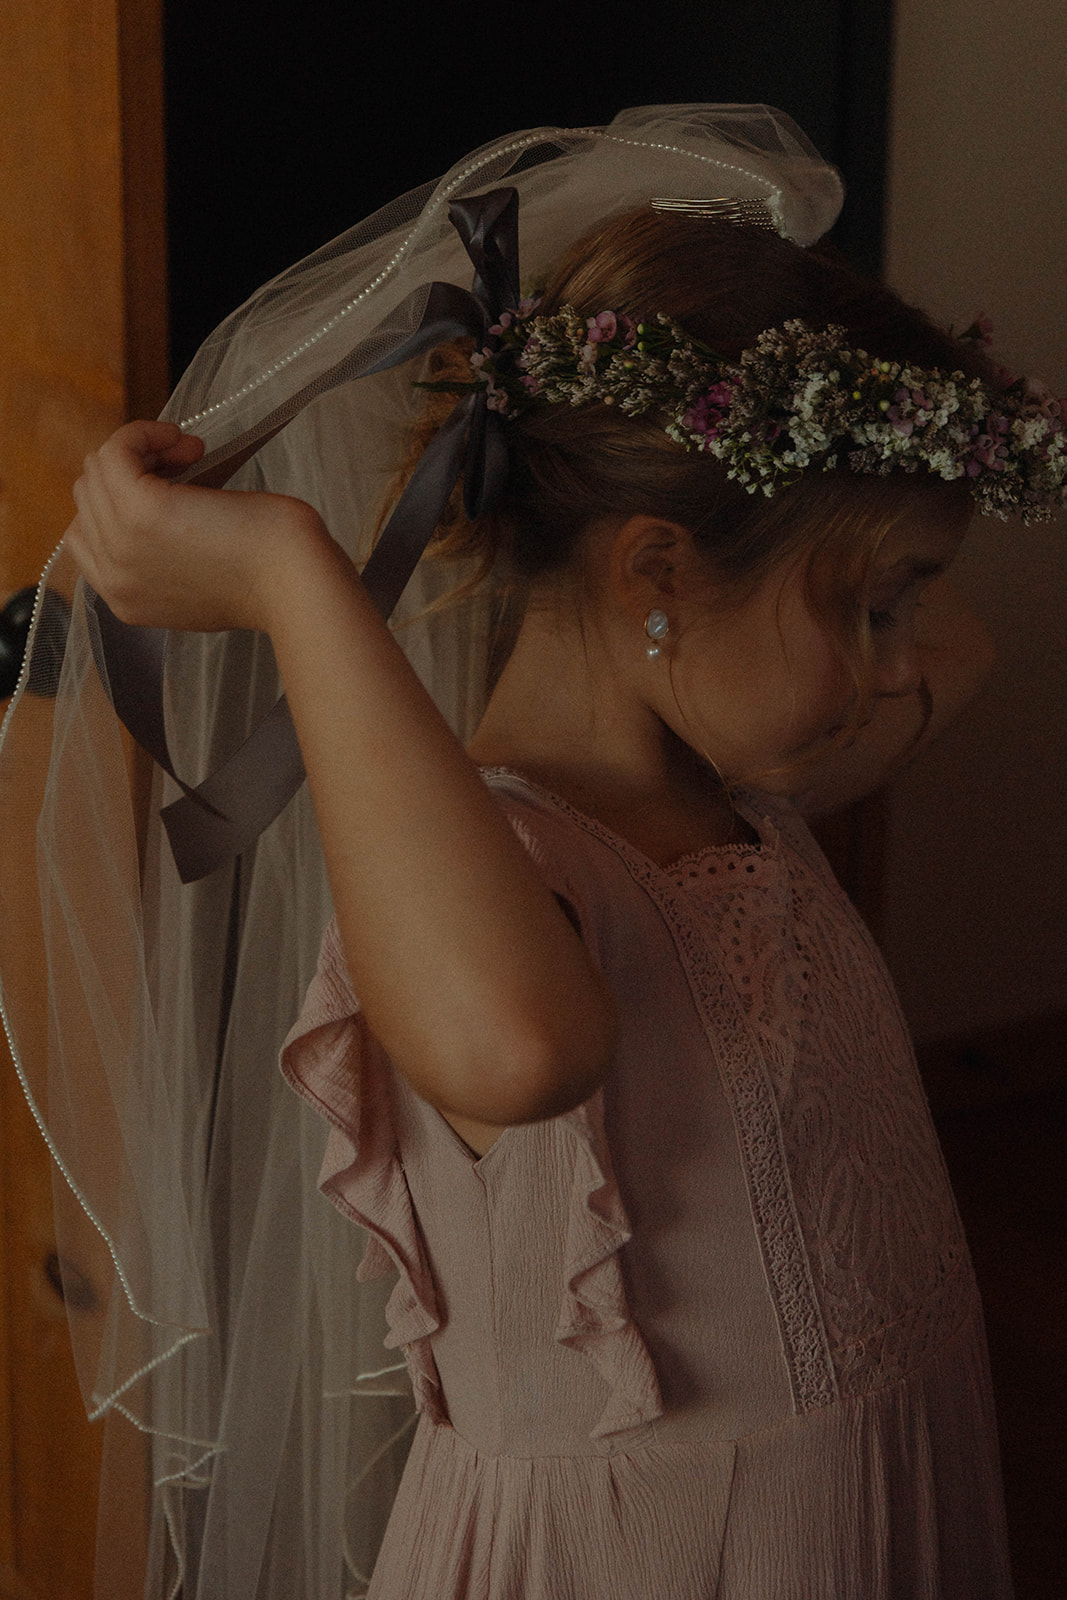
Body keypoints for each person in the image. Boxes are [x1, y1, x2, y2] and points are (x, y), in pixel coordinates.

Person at [6, 107, 1061, 1598]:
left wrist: (870, 500)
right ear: (657, 570)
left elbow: (970, 642)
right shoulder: (506, 867)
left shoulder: (743, 792)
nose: (906, 665)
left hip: (865, 1494)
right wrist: (292, 580)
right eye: (872, 605)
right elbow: (518, 1049)